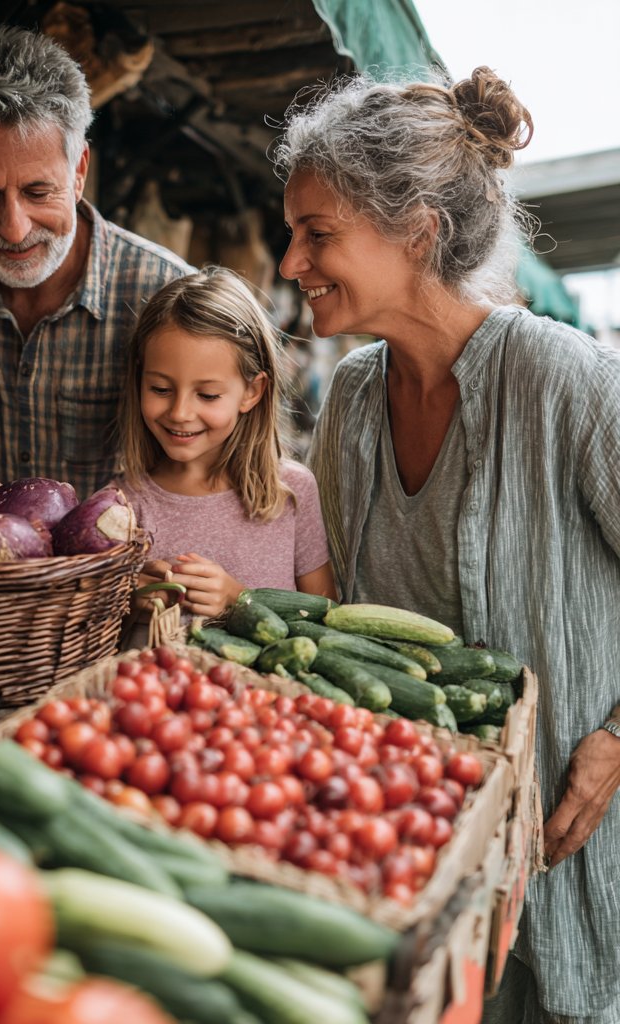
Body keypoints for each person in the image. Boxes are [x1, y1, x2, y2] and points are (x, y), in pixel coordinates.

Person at [276, 67, 620, 1023]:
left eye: (318, 234)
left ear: (417, 230)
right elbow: (331, 601)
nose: (292, 261)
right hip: (420, 851)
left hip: (574, 853)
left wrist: (616, 744)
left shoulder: (565, 381)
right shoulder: (347, 399)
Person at [0, 26, 192, 497]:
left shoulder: (165, 293)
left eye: (38, 192)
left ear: (80, 172)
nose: (13, 228)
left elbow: (216, 482)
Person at [115, 268, 338, 640]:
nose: (180, 412)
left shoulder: (292, 492)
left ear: (252, 392)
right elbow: (85, 638)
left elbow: (328, 624)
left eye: (207, 395)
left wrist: (242, 601)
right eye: (160, 388)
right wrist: (128, 600)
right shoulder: (120, 506)